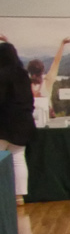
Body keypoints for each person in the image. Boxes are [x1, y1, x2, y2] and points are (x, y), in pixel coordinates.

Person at [0, 42, 36, 200]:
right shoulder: (23, 75)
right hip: (23, 123)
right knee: (18, 158)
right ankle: (19, 196)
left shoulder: (1, 74)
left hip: (3, 123)